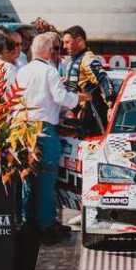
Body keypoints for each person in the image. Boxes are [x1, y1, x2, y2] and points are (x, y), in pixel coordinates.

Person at [17, 32, 91, 242]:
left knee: (28, 178)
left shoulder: (22, 71)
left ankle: (29, 222)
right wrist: (80, 97)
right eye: (56, 49)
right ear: (49, 51)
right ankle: (47, 225)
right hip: (44, 128)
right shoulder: (49, 71)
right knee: (46, 179)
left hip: (22, 129)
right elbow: (61, 98)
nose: (58, 53)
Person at [59, 26, 115, 135]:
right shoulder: (72, 60)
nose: (64, 46)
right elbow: (73, 86)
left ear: (79, 41)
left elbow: (103, 79)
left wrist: (111, 105)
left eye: (67, 42)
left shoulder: (87, 59)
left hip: (92, 114)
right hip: (75, 114)